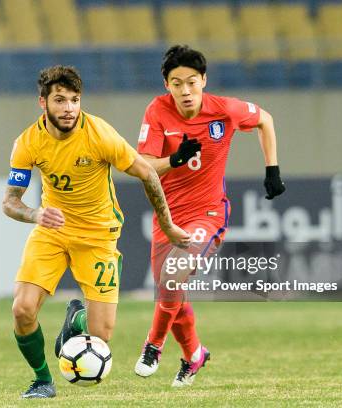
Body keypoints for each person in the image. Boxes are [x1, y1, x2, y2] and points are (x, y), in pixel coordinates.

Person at [2, 65, 190, 399]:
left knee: (100, 333)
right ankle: (42, 380)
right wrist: (35, 214)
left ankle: (76, 321)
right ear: (42, 102)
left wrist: (167, 223)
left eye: (74, 100)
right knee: (22, 309)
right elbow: (10, 202)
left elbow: (148, 173)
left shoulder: (99, 134)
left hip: (98, 236)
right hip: (52, 233)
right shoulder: (28, 142)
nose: (69, 108)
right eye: (60, 100)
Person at [134, 45, 285, 386]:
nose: (185, 91)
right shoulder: (157, 112)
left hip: (208, 213)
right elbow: (142, 166)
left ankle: (152, 346)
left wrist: (272, 169)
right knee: (171, 294)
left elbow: (265, 120)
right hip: (167, 218)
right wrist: (173, 161)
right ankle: (194, 356)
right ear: (166, 85)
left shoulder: (225, 110)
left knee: (171, 279)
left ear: (203, 80)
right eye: (176, 84)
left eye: (191, 82)